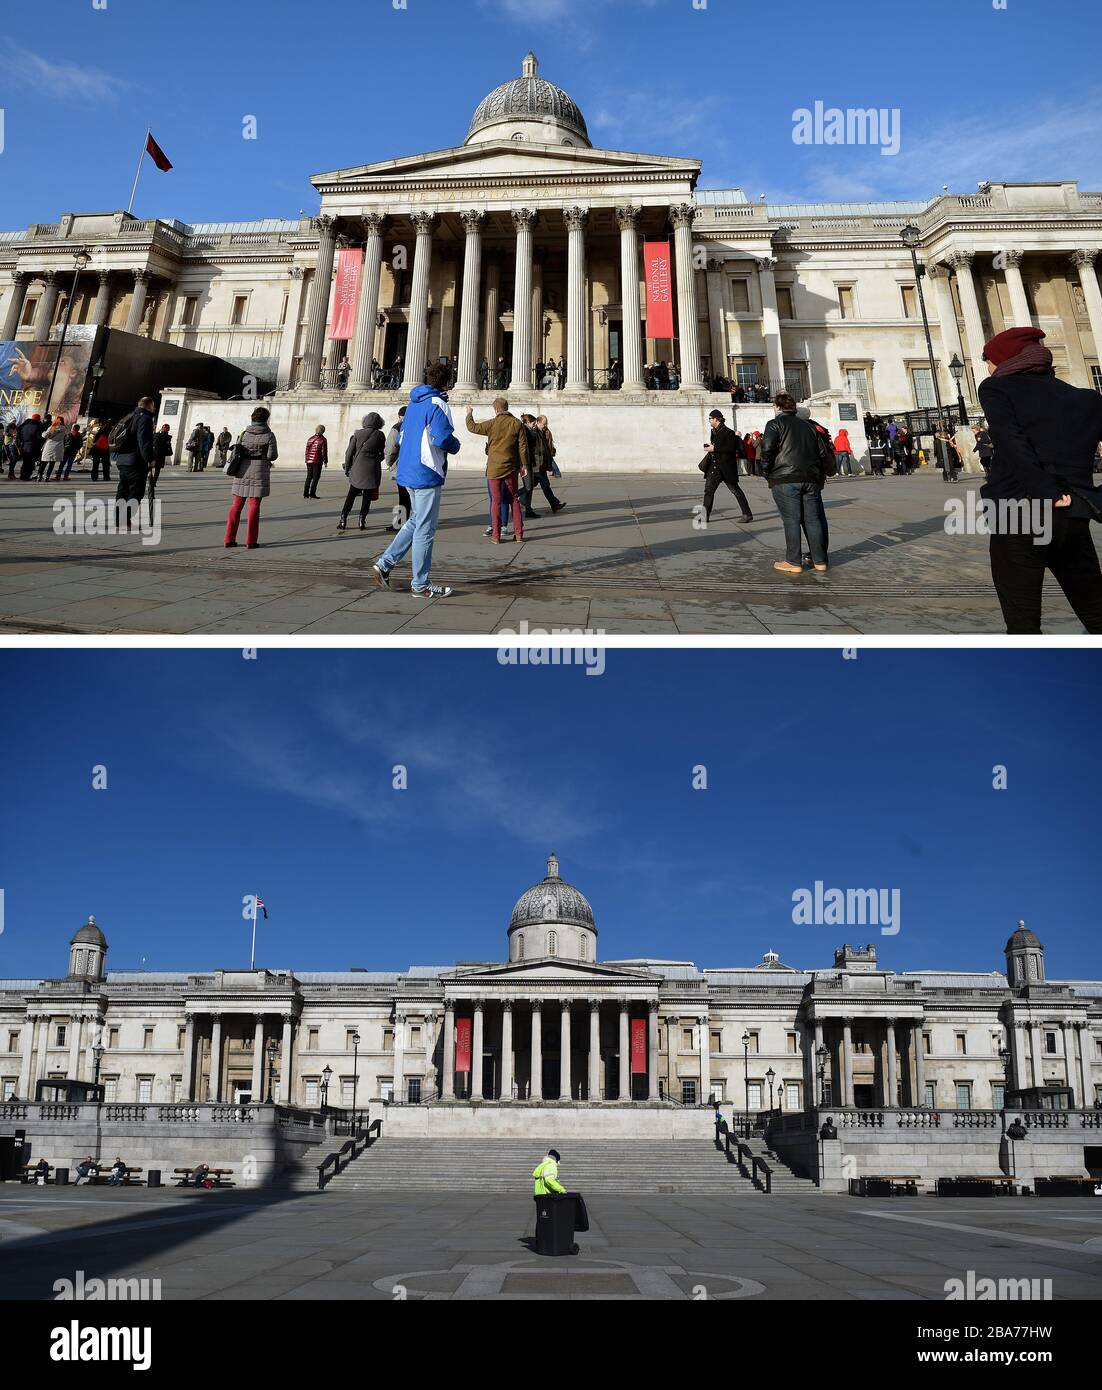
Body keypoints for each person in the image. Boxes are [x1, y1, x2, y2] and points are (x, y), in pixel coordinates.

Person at [978, 325, 1102, 634]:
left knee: (1023, 623)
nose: (989, 368)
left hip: (1018, 515)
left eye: (988, 360)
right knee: (1097, 612)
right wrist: (1095, 497)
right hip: (1073, 515)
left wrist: (1045, 490)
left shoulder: (997, 388)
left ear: (1004, 359)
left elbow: (1010, 439)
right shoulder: (1086, 399)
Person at [371, 362, 459, 598]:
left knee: (414, 521)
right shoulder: (437, 404)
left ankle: (384, 563)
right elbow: (442, 439)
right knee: (425, 531)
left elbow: (400, 438)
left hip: (407, 472)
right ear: (447, 382)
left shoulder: (413, 404)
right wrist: (456, 445)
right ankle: (420, 584)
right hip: (425, 473)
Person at [758, 392, 831, 574]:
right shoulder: (809, 427)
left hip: (785, 478)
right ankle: (820, 560)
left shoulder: (774, 424)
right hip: (810, 479)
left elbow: (767, 448)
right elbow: (823, 453)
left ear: (778, 407)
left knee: (791, 520)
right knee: (813, 520)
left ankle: (793, 561)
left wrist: (765, 470)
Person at [465, 396, 529, 544]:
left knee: (496, 501)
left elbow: (472, 427)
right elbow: (522, 446)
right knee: (513, 499)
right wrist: (524, 465)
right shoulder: (516, 423)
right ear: (507, 408)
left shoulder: (492, 424)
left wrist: (469, 413)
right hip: (511, 466)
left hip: (494, 468)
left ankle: (496, 535)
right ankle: (519, 534)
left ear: (495, 409)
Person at [224, 406, 279, 550]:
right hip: (259, 470)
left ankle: (229, 539)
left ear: (252, 417)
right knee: (254, 507)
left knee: (236, 505)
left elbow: (238, 450)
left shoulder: (243, 433)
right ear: (266, 419)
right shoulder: (269, 435)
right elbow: (272, 456)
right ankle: (251, 541)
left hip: (242, 470)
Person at [112, 396, 157, 530]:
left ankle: (118, 519)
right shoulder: (145, 418)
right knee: (136, 492)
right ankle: (125, 520)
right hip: (135, 461)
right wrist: (149, 459)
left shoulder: (130, 416)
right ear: (149, 406)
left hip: (123, 459)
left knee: (123, 490)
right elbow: (144, 441)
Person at [701, 409, 753, 523]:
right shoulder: (714, 431)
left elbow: (730, 448)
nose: (709, 420)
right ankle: (705, 516)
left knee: (735, 490)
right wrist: (711, 447)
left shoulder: (728, 432)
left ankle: (747, 513)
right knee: (708, 491)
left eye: (710, 418)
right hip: (714, 467)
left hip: (726, 468)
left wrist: (714, 448)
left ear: (716, 419)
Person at [339, 412, 385, 531]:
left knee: (351, 495)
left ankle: (343, 519)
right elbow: (382, 453)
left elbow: (349, 453)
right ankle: (361, 520)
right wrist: (376, 459)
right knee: (367, 497)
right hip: (372, 469)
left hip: (358, 467)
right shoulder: (380, 435)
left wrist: (348, 468)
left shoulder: (358, 434)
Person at [383, 405, 411, 532]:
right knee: (413, 497)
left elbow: (390, 448)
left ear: (399, 416)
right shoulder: (417, 424)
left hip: (402, 466)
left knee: (403, 496)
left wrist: (389, 463)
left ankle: (399, 523)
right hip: (416, 466)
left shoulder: (397, 427)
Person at [534, 415, 565, 512]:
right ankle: (554, 504)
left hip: (541, 465)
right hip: (537, 465)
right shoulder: (535, 433)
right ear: (538, 422)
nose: (546, 425)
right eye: (544, 423)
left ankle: (520, 499)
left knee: (533, 485)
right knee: (545, 484)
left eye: (546, 423)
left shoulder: (543, 432)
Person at [148, 423, 172, 500]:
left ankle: (151, 481)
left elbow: (152, 441)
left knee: (150, 468)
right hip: (161, 455)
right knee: (157, 470)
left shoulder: (156, 435)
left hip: (154, 454)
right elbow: (167, 445)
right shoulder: (168, 437)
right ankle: (154, 482)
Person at [303, 425, 328, 499]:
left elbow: (307, 450)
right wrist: (325, 461)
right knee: (316, 478)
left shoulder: (310, 439)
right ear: (323, 431)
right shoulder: (323, 440)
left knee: (309, 477)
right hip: (317, 461)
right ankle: (312, 493)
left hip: (309, 461)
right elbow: (324, 452)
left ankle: (305, 493)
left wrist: (307, 459)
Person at [18, 413, 44, 480]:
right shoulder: (37, 427)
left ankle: (22, 476)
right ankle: (26, 476)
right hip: (32, 447)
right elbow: (38, 439)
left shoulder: (25, 426)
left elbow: (20, 436)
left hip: (24, 446)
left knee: (25, 462)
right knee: (30, 463)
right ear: (38, 420)